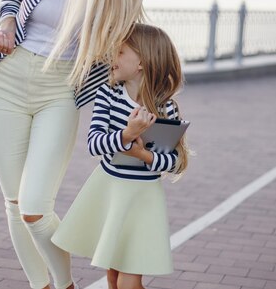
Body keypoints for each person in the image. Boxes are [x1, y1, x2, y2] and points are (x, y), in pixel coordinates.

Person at [0, 0, 149, 289]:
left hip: (60, 90)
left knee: (35, 209)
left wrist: (149, 98)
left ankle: (64, 283)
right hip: (6, 80)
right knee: (13, 203)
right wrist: (5, 26)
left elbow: (127, 59)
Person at [52, 23, 192, 289]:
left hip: (141, 199)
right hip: (109, 190)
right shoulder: (108, 94)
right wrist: (127, 135)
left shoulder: (165, 108)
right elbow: (94, 145)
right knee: (114, 278)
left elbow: (174, 162)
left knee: (129, 282)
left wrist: (143, 155)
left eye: (120, 52)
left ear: (142, 62)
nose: (111, 58)